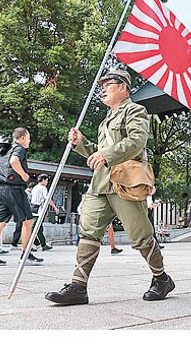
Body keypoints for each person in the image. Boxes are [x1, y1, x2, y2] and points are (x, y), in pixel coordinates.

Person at [45, 69, 174, 305]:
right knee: (89, 231)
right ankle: (78, 286)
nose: (102, 89)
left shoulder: (135, 110)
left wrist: (106, 154)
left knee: (141, 236)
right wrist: (81, 143)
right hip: (101, 183)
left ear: (123, 87)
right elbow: (98, 153)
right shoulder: (106, 119)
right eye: (101, 86)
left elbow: (136, 141)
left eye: (108, 84)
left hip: (125, 183)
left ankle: (161, 278)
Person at [0, 127, 43, 267]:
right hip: (14, 189)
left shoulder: (4, 151)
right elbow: (14, 161)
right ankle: (26, 254)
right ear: (22, 138)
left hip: (1, 190)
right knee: (28, 221)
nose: (29, 141)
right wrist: (24, 175)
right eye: (28, 138)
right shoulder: (19, 148)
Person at [30, 173, 59, 251]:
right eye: (46, 180)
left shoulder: (35, 187)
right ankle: (35, 243)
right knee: (34, 227)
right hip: (38, 210)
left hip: (33, 209)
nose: (47, 182)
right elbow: (48, 199)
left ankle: (42, 244)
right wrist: (55, 207)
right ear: (43, 180)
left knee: (38, 228)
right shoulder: (43, 188)